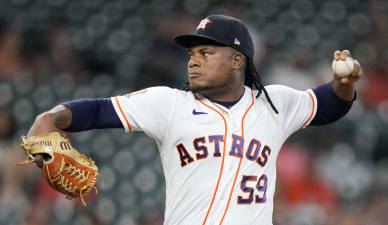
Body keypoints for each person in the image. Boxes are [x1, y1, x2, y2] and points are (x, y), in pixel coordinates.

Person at [27, 15, 361, 225]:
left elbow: (329, 105)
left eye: (205, 53)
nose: (193, 62)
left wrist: (343, 84)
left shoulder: (274, 103)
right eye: (191, 55)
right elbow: (98, 109)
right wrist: (51, 117)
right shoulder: (169, 104)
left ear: (236, 60)